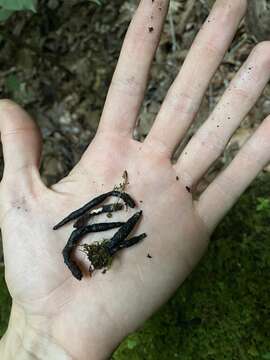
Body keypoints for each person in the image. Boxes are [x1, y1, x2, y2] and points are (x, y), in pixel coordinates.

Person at [0, 0, 268, 358]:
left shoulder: (96, 235)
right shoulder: (82, 246)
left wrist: (34, 343)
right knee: (99, 228)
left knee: (104, 227)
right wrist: (38, 335)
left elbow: (86, 233)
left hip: (110, 225)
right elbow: (81, 235)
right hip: (104, 231)